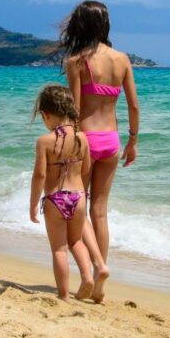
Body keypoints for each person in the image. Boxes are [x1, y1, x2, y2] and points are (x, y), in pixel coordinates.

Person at [60, 0, 139, 302]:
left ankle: (92, 272)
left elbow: (76, 109)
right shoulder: (122, 60)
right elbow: (133, 104)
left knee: (76, 209)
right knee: (100, 211)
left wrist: (66, 141)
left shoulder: (77, 61)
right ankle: (100, 281)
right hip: (112, 141)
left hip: (87, 140)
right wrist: (133, 141)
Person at [29, 84, 109, 302]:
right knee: (76, 242)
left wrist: (34, 204)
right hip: (80, 197)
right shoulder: (82, 138)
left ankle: (63, 295)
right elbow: (85, 169)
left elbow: (39, 176)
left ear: (45, 114)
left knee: (59, 250)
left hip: (55, 199)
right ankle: (88, 277)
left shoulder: (44, 142)